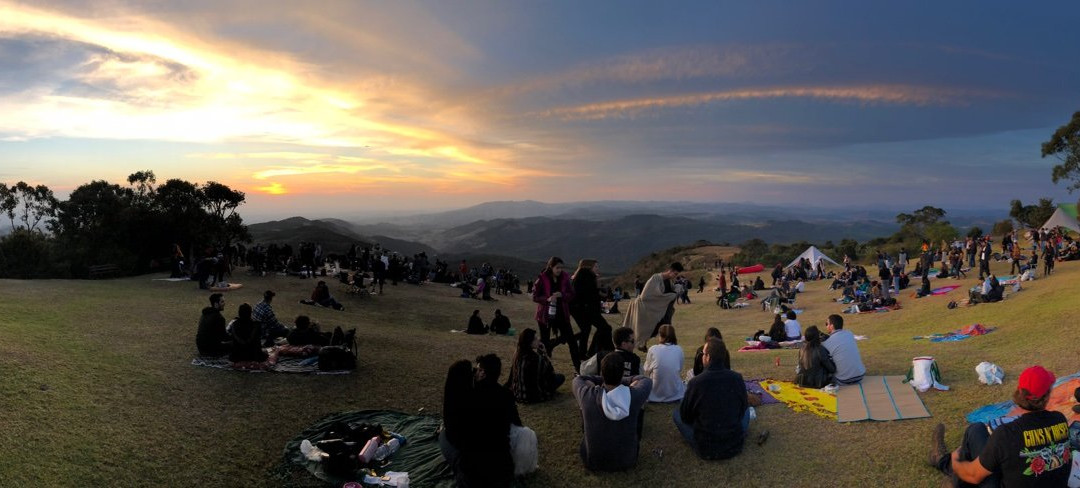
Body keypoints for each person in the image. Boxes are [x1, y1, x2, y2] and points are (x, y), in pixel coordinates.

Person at [928, 365, 1070, 487]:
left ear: (1019, 392)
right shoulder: (1060, 420)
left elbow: (974, 475)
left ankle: (944, 463)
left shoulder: (1006, 434)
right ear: (1047, 395)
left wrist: (956, 462)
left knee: (975, 430)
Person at [573, 353, 653, 471]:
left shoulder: (587, 395)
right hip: (627, 460)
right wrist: (626, 381)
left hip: (592, 461)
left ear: (601, 373)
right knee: (640, 407)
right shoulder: (633, 395)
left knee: (585, 406)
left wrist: (599, 381)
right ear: (622, 373)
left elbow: (579, 379)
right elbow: (645, 379)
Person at [674, 338, 749, 460]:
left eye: (703, 354)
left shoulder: (696, 383)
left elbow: (685, 417)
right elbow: (743, 408)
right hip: (734, 444)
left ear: (708, 357)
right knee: (746, 412)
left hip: (706, 446)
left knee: (676, 413)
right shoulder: (736, 378)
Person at [532, 256, 581, 372]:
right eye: (557, 268)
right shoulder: (542, 278)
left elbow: (571, 294)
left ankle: (578, 368)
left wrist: (562, 295)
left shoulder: (564, 277)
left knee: (571, 341)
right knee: (544, 342)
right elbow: (535, 296)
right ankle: (541, 369)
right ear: (551, 267)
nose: (559, 270)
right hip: (545, 315)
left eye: (561, 268)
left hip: (561, 313)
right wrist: (547, 299)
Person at [622, 262, 683, 351]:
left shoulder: (669, 281)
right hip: (651, 310)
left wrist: (677, 288)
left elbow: (672, 291)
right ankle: (643, 344)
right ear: (670, 271)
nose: (675, 276)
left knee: (664, 329)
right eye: (675, 274)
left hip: (664, 312)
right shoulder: (656, 278)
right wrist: (670, 296)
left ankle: (663, 348)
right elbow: (646, 296)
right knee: (650, 329)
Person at [506, 328, 564, 403]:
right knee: (560, 377)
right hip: (534, 396)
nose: (538, 340)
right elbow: (551, 374)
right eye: (535, 339)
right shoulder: (536, 359)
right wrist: (544, 353)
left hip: (519, 394)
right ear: (530, 342)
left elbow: (512, 376)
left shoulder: (517, 354)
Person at [570, 259, 613, 357]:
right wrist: (601, 294)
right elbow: (589, 295)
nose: (598, 268)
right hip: (586, 309)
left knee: (587, 330)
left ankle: (585, 353)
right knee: (604, 328)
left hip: (585, 309)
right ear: (589, 267)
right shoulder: (587, 277)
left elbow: (590, 293)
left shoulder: (583, 277)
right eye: (596, 267)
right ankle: (594, 352)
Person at [643, 325, 685, 403]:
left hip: (654, 394)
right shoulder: (679, 349)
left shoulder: (653, 349)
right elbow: (679, 368)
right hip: (675, 394)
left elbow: (646, 369)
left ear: (660, 335)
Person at [822, 314, 865, 384]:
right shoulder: (849, 334)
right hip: (860, 375)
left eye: (827, 324)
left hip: (843, 379)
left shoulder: (827, 342)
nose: (826, 326)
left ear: (832, 326)